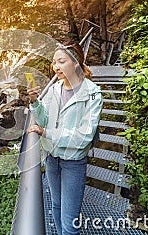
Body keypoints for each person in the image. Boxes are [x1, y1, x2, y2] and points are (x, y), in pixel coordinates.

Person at [26, 41, 103, 235]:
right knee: (56, 206)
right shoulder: (54, 89)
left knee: (70, 223)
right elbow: (45, 119)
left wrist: (47, 134)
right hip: (52, 158)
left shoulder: (92, 93)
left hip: (73, 162)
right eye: (54, 62)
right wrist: (35, 102)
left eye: (61, 61)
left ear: (76, 63)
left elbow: (85, 136)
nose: (55, 67)